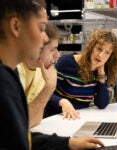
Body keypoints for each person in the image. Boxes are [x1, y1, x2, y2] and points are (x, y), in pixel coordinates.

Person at [0, 0, 104, 149]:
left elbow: (16, 135)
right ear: (16, 26)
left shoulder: (10, 73)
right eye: (41, 28)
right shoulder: (4, 81)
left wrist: (68, 143)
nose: (45, 38)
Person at [44, 29, 117, 120]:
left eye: (107, 53)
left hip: (78, 118)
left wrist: (101, 75)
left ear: (110, 57)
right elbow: (45, 93)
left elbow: (101, 104)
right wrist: (63, 102)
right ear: (91, 47)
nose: (100, 55)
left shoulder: (103, 71)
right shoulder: (67, 63)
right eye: (99, 49)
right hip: (57, 117)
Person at [17, 22, 60, 128]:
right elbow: (16, 126)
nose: (57, 54)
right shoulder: (13, 70)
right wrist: (49, 88)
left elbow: (36, 120)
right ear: (35, 49)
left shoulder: (41, 70)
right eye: (52, 50)